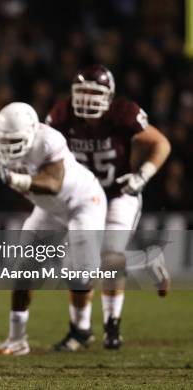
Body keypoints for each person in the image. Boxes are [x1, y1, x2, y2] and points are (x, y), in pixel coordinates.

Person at [0, 102, 107, 355]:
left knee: (79, 271)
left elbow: (53, 183)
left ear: (33, 133)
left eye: (16, 141)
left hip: (83, 202)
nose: (8, 148)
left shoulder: (48, 141)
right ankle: (17, 339)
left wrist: (15, 179)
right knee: (24, 268)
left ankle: (81, 329)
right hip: (49, 209)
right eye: (4, 141)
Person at [46, 64, 172, 350]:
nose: (88, 99)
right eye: (83, 92)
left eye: (95, 92)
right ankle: (80, 330)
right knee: (76, 267)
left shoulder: (122, 113)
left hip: (117, 194)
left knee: (110, 257)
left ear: (110, 95)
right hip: (82, 199)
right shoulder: (61, 114)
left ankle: (112, 326)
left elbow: (161, 143)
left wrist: (143, 175)